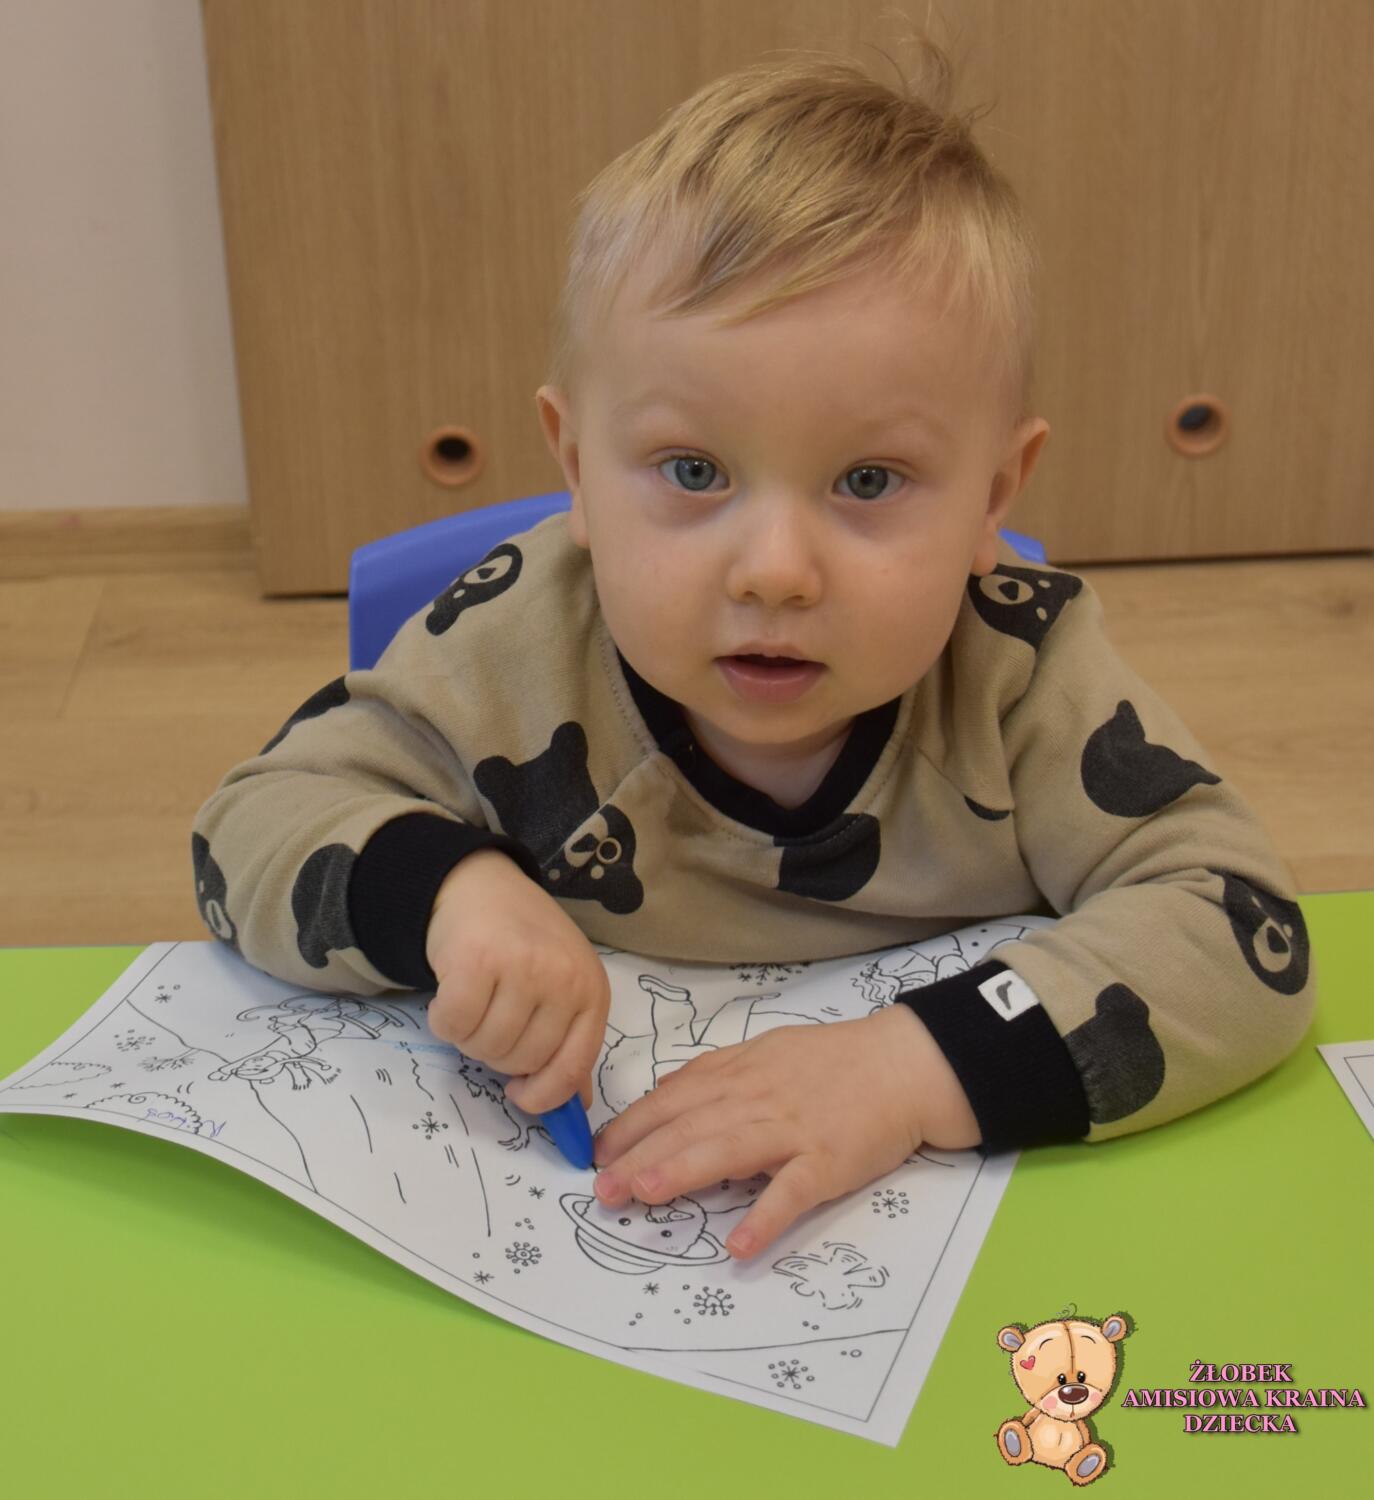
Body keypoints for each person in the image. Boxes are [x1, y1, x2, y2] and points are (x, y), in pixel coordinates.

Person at [190, 36, 1316, 1261]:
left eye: (869, 480)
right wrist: (450, 894)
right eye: (692, 471)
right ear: (576, 466)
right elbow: (248, 822)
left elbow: (1238, 926)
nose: (774, 570)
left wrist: (912, 1068)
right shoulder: (510, 643)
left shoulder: (1021, 675)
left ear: (995, 493)